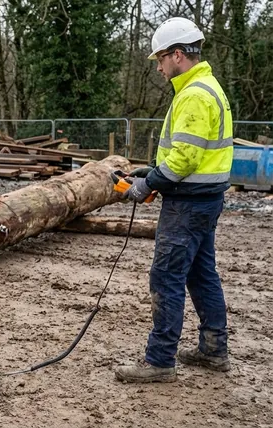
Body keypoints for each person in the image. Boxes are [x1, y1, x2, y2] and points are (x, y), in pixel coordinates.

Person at [114, 17, 234, 383]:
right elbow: (182, 152)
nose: (159, 67)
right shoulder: (205, 87)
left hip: (188, 204)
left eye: (161, 59)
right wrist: (148, 171)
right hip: (204, 200)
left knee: (166, 277)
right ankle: (214, 348)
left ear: (178, 55)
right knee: (200, 274)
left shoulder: (195, 94)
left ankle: (160, 360)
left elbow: (184, 158)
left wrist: (147, 183)